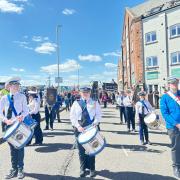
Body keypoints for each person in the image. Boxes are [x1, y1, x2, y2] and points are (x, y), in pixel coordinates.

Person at [0, 77, 29, 179]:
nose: (17, 86)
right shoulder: (4, 98)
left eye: (18, 85)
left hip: (18, 125)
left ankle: (20, 168)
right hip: (8, 125)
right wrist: (5, 120)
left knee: (19, 147)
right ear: (9, 86)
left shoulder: (22, 97)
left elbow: (26, 110)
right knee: (12, 148)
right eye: (15, 85)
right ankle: (14, 169)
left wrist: (22, 116)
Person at [70, 86, 102, 178]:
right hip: (80, 129)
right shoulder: (76, 103)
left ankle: (92, 169)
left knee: (91, 149)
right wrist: (78, 126)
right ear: (80, 93)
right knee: (81, 150)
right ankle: (82, 169)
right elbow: (72, 117)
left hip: (91, 129)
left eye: (87, 92)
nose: (85, 94)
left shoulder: (95, 102)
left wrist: (95, 123)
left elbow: (99, 115)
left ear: (90, 93)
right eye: (83, 92)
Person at [160, 77, 180, 178]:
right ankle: (176, 167)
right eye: (172, 84)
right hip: (173, 127)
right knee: (176, 147)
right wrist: (177, 124)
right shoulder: (164, 97)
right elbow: (165, 114)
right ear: (168, 85)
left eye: (176, 83)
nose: (175, 85)